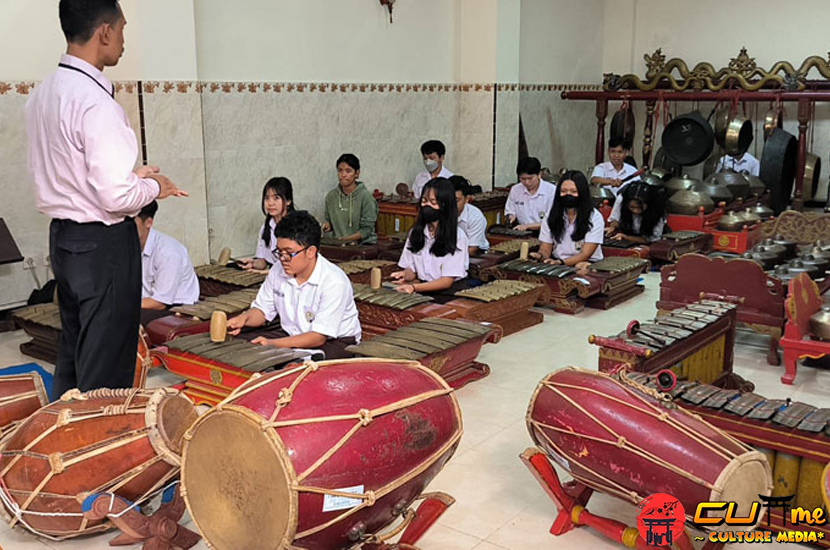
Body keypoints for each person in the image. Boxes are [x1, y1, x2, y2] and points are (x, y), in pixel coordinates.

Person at [27, 0, 186, 398]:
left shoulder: (44, 93)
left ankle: (63, 436)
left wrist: (132, 177)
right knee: (106, 364)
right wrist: (153, 187)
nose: (123, 40)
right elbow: (116, 198)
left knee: (75, 353)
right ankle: (93, 444)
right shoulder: (96, 102)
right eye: (122, 29)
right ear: (104, 32)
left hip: (64, 239)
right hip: (102, 246)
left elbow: (75, 174)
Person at [227, 211, 362, 360]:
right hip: (292, 335)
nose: (283, 259)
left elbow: (318, 337)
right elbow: (262, 311)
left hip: (334, 342)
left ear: (310, 252)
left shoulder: (334, 282)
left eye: (289, 253)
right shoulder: (277, 270)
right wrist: (244, 318)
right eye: (279, 252)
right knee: (238, 346)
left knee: (299, 367)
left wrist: (273, 344)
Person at [392, 178, 469, 303]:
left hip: (450, 295)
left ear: (445, 205)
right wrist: (405, 275)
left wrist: (413, 287)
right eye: (424, 201)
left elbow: (446, 281)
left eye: (433, 202)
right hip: (422, 290)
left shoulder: (457, 237)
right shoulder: (415, 232)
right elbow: (411, 270)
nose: (427, 206)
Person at [134, 201, 199, 311]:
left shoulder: (168, 252)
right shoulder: (128, 245)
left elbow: (159, 303)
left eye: (131, 223)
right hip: (145, 304)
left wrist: (122, 305)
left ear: (148, 223)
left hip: (176, 309)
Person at [536, 170, 604, 272]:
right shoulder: (551, 215)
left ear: (582, 193)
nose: (568, 195)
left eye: (573, 192)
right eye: (563, 191)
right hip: (557, 262)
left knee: (583, 268)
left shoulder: (594, 217)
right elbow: (545, 249)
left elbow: (586, 254)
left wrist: (561, 263)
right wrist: (540, 256)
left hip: (586, 263)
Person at [238, 177, 294, 271]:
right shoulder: (266, 227)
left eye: (276, 198)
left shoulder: (296, 226)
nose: (270, 203)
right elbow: (263, 261)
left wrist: (266, 273)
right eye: (267, 198)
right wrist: (252, 263)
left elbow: (294, 266)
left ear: (288, 201)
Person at [322, 154, 378, 244]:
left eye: (348, 171)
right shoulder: (331, 197)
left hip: (363, 246)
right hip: (339, 244)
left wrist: (346, 239)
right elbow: (330, 222)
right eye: (340, 170)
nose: (343, 175)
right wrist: (327, 226)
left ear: (357, 173)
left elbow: (366, 230)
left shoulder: (366, 197)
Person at [505, 157, 556, 231]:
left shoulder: (551, 191)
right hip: (522, 232)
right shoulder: (515, 190)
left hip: (546, 232)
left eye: (530, 178)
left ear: (539, 175)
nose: (527, 182)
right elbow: (510, 210)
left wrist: (527, 226)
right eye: (523, 179)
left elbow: (552, 221)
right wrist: (511, 217)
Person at [450, 175, 489, 255]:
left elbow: (472, 249)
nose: (451, 204)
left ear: (466, 199)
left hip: (475, 254)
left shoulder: (476, 217)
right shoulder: (439, 211)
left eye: (456, 200)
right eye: (448, 200)